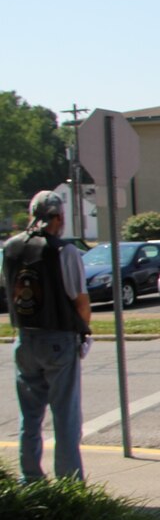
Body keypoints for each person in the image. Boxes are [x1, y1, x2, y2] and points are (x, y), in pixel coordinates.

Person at [3, 191, 92, 483]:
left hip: (24, 338)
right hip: (58, 338)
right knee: (65, 415)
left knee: (30, 415)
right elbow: (80, 299)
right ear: (58, 217)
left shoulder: (11, 248)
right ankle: (69, 482)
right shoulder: (62, 251)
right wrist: (84, 333)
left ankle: (31, 479)